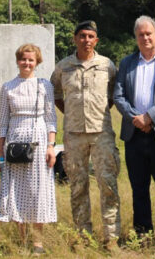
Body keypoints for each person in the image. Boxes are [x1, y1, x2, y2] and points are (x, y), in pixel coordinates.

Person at [50, 21, 121, 247]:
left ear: (96, 40)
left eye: (90, 36)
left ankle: (111, 237)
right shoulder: (64, 66)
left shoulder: (107, 65)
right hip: (73, 134)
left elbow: (114, 95)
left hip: (101, 133)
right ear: (75, 39)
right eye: (82, 36)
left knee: (107, 184)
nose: (86, 40)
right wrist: (72, 113)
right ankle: (83, 236)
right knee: (78, 186)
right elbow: (56, 95)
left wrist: (97, 113)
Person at [113, 15, 155, 238]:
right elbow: (118, 96)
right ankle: (142, 233)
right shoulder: (127, 63)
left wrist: (149, 117)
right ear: (136, 37)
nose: (145, 38)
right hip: (134, 134)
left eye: (149, 33)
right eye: (141, 34)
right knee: (139, 187)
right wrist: (137, 118)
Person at [0, 44, 58, 253]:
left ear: (37, 62)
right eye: (23, 59)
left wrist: (51, 146)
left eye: (31, 60)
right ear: (17, 61)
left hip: (39, 141)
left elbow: (51, 119)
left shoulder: (45, 85)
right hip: (15, 142)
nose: (27, 63)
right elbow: (2, 122)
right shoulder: (8, 87)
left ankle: (37, 242)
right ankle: (22, 239)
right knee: (16, 190)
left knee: (38, 191)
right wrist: (0, 152)